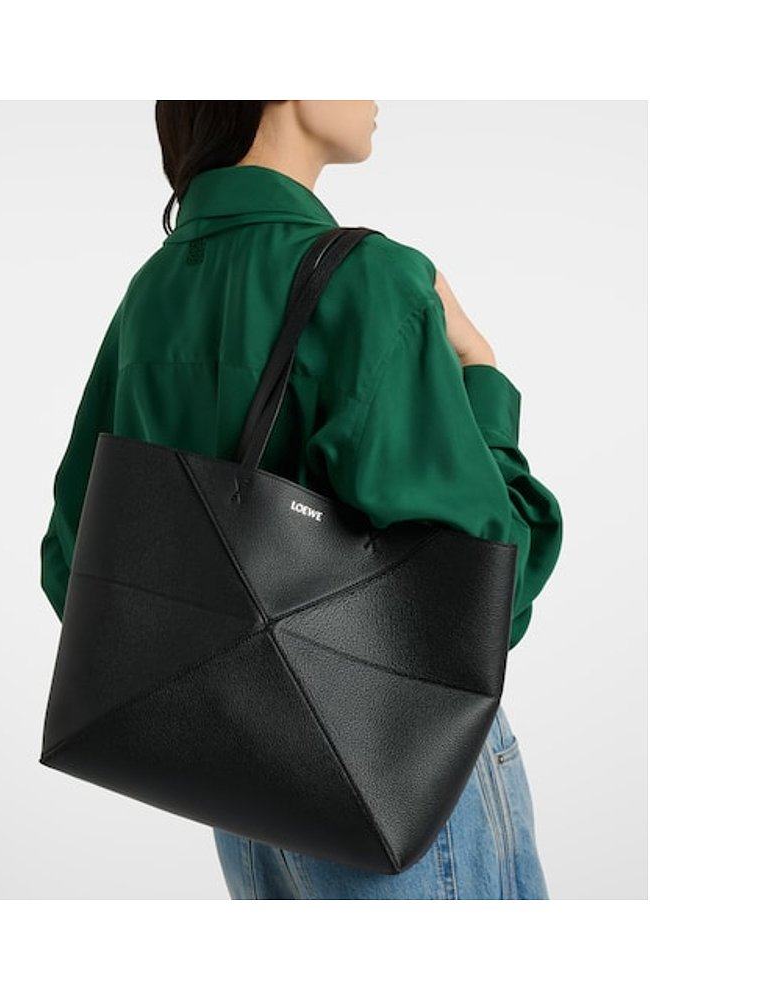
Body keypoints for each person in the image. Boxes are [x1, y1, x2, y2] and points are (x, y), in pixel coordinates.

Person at [41, 100, 563, 899]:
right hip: (402, 781)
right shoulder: (372, 279)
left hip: (240, 794)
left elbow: (75, 568)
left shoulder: (153, 291)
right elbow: (488, 594)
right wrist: (482, 371)